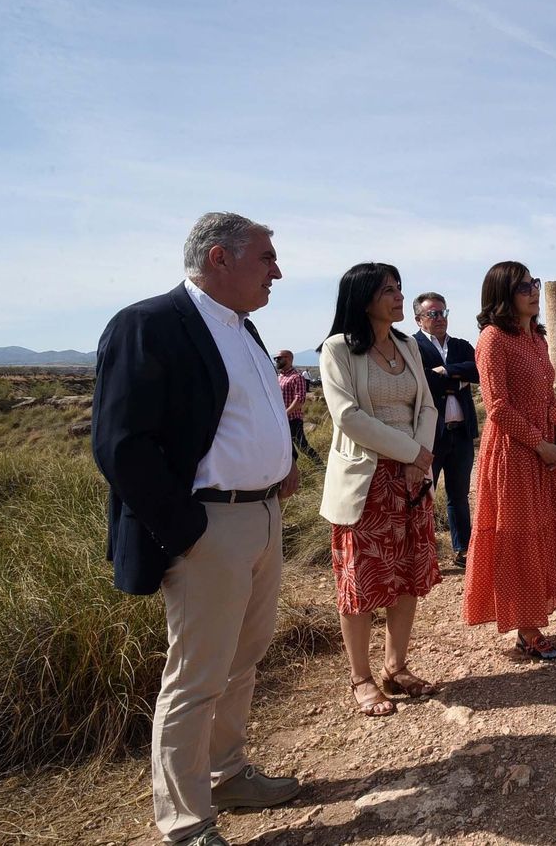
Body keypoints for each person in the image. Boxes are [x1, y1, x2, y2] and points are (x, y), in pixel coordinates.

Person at [92, 212, 301, 846]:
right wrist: (186, 529)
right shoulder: (149, 324)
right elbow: (120, 444)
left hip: (262, 517)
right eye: (266, 258)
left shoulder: (244, 329)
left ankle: (228, 774)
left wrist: (278, 469)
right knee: (197, 675)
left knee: (243, 660)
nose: (277, 270)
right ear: (219, 258)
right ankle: (184, 822)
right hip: (209, 526)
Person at [318, 263, 441, 717]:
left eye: (399, 288)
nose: (398, 296)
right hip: (366, 481)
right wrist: (411, 452)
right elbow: (347, 416)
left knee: (407, 574)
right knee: (361, 582)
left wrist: (417, 458)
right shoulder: (336, 350)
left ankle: (396, 666)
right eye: (388, 290)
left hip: (410, 478)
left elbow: (427, 405)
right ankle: (361, 678)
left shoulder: (408, 345)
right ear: (364, 298)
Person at [467, 261, 556, 658]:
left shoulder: (537, 339)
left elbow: (547, 395)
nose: (533, 291)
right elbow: (496, 406)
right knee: (521, 538)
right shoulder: (492, 339)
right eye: (524, 285)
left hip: (547, 449)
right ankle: (527, 630)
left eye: (534, 283)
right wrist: (539, 444)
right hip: (514, 452)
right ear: (502, 295)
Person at [412, 291, 479, 570]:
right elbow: (425, 382)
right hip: (431, 436)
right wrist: (456, 379)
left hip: (460, 433)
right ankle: (421, 555)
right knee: (423, 495)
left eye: (443, 313)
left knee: (459, 495)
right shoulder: (411, 346)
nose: (440, 319)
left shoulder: (461, 345)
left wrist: (447, 371)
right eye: (433, 314)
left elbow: (477, 370)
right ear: (419, 319)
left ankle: (463, 550)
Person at [275, 349, 321, 463]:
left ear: (289, 359)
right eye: (276, 358)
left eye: (279, 358)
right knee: (284, 447)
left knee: (302, 446)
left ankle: (319, 465)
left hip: (292, 419)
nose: (277, 360)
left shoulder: (296, 377)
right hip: (281, 420)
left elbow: (299, 399)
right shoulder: (280, 376)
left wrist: (286, 413)